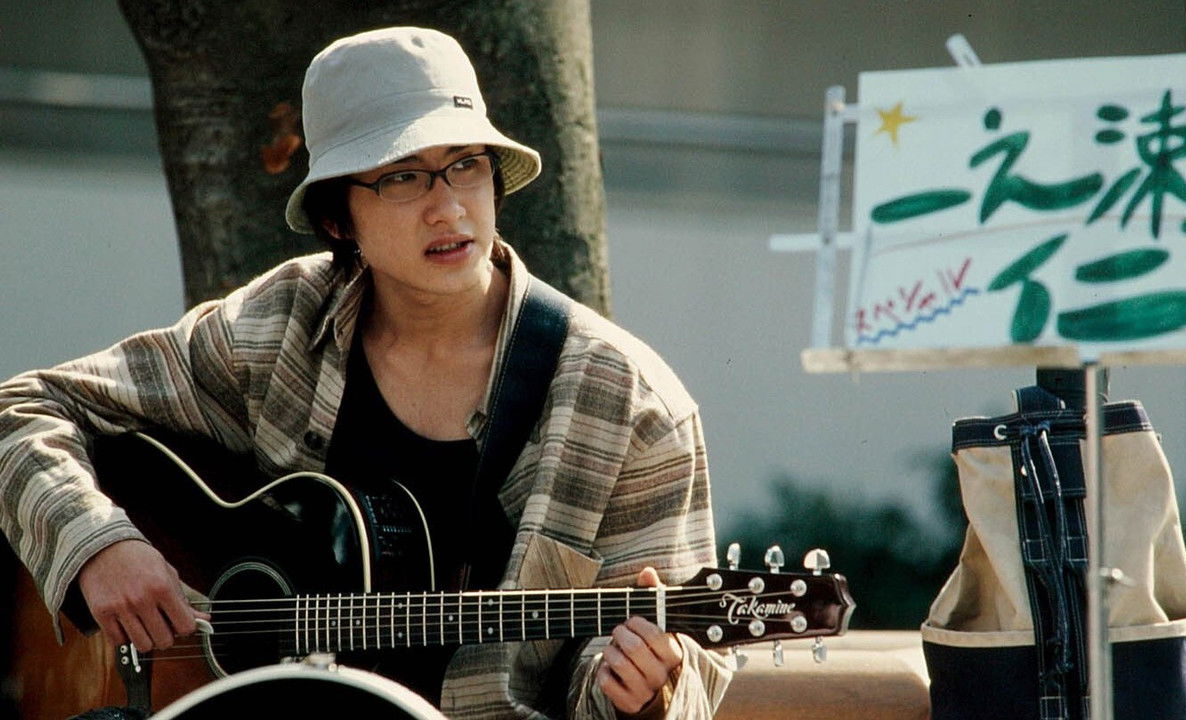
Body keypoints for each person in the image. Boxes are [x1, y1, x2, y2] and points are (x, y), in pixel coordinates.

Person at [0, 27, 732, 718]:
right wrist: (98, 542)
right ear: (337, 219)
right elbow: (22, 409)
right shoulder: (278, 328)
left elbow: (682, 671)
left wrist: (643, 693)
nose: (448, 207)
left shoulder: (629, 404)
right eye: (403, 177)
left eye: (466, 165)